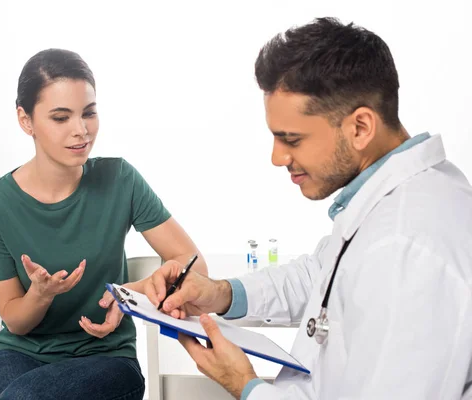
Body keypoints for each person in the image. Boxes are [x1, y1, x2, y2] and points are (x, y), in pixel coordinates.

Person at [138, 17, 472, 399]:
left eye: (291, 139)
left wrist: (245, 386)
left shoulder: (408, 244)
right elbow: (324, 273)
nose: (277, 157)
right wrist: (222, 294)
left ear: (360, 127)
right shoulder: (398, 199)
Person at [0, 48, 207, 400]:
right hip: (20, 354)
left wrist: (128, 294)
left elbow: (194, 266)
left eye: (89, 113)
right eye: (61, 117)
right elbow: (16, 321)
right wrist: (41, 293)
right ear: (26, 120)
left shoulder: (120, 180)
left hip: (107, 360)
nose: (81, 131)